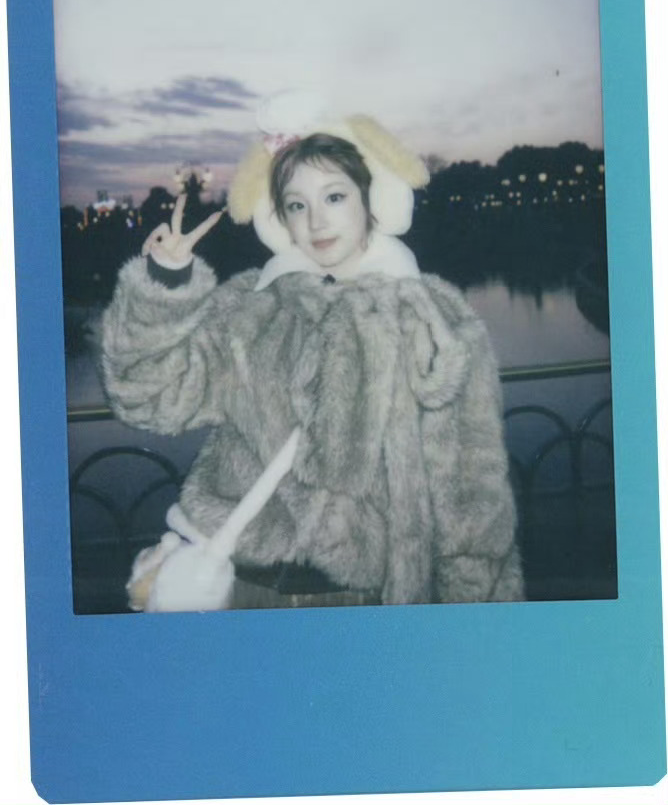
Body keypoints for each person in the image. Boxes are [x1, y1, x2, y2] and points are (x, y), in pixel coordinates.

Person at [101, 96, 524, 610]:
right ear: (280, 218)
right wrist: (165, 283)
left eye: (335, 197)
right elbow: (149, 401)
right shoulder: (253, 308)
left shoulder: (434, 323)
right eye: (297, 205)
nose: (317, 222)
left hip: (366, 599)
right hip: (243, 584)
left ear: (371, 199)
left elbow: (471, 494)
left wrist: (477, 615)